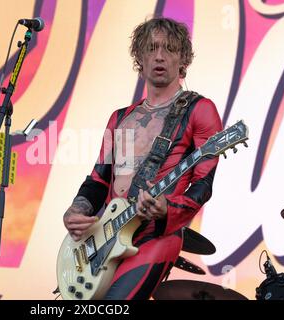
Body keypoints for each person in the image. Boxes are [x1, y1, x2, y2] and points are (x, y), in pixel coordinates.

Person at [63, 17, 223, 300]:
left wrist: (166, 208)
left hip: (154, 237)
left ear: (183, 57)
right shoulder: (120, 117)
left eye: (169, 49)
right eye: (151, 48)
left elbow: (202, 185)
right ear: (139, 56)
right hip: (106, 237)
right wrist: (77, 210)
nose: (159, 56)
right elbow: (99, 179)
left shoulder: (200, 109)